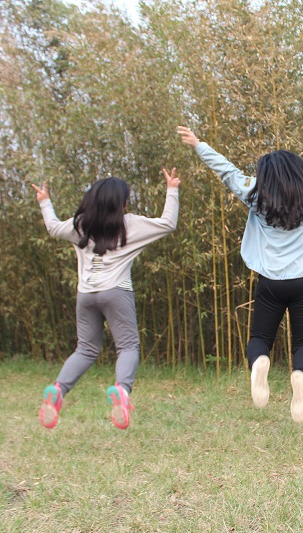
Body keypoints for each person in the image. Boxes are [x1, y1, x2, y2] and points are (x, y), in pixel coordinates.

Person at [177, 104, 303, 423]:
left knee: (260, 339)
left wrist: (199, 144)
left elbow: (227, 171)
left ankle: (259, 364)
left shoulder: (257, 195)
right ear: (298, 171)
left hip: (271, 281)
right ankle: (300, 376)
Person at [32, 168, 180, 429]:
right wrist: (172, 190)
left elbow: (53, 228)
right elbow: (168, 223)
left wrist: (45, 202)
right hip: (116, 291)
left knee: (85, 349)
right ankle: (122, 391)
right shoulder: (129, 224)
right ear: (121, 203)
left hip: (86, 294)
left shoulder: (81, 224)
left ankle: (58, 389)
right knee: (128, 346)